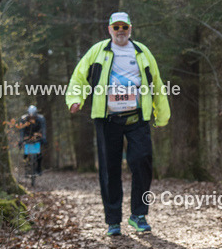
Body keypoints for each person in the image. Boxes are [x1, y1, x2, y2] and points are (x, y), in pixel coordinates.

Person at [66, 12, 170, 236]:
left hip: (137, 118)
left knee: (142, 162)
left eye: (124, 26)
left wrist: (161, 114)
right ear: (109, 29)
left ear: (130, 28)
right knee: (109, 169)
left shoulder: (142, 52)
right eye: (116, 27)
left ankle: (138, 215)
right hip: (107, 119)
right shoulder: (97, 51)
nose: (120, 30)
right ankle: (113, 221)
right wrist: (76, 99)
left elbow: (157, 84)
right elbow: (79, 77)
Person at [18, 104, 46, 176]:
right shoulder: (24, 119)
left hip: (37, 136)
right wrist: (21, 140)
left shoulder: (41, 119)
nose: (31, 118)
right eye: (30, 117)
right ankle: (27, 169)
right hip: (27, 137)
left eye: (33, 116)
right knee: (26, 154)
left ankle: (39, 168)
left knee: (39, 153)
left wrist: (44, 138)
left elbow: (43, 129)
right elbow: (22, 131)